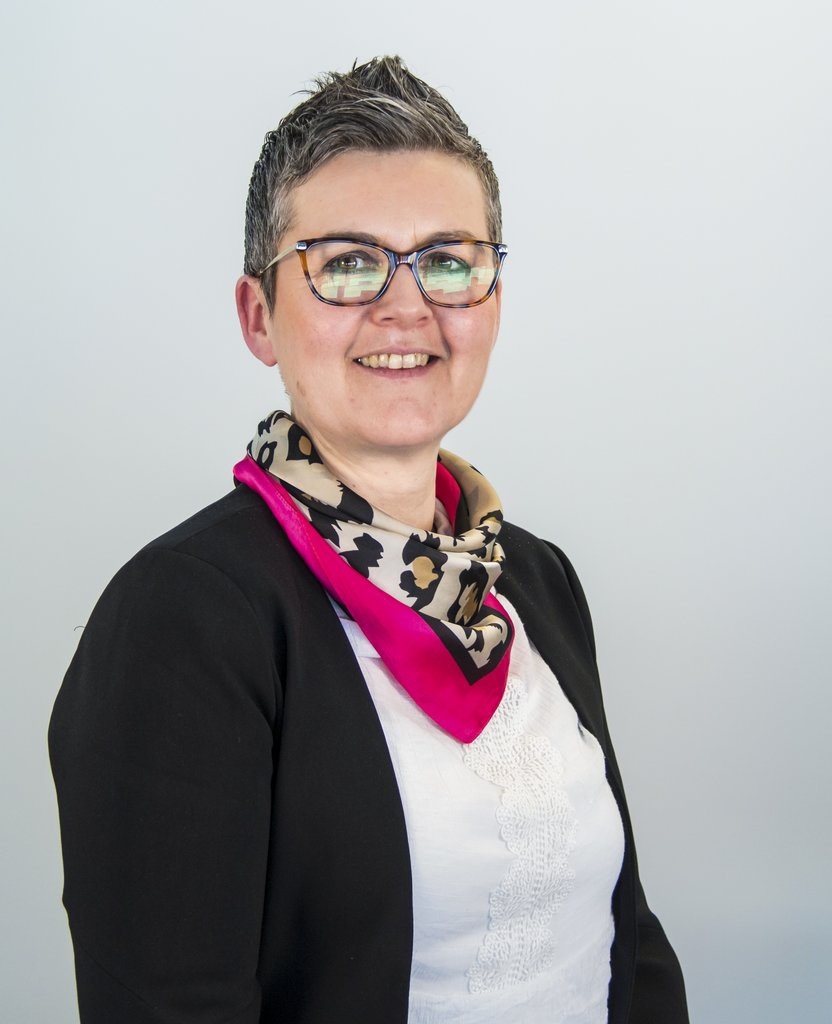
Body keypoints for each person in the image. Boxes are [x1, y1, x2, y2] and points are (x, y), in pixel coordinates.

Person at [49, 56, 689, 1024]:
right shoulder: (183, 619)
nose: (405, 308)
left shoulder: (532, 577)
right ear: (259, 317)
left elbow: (626, 941)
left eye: (448, 261)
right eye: (346, 263)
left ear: (492, 299)